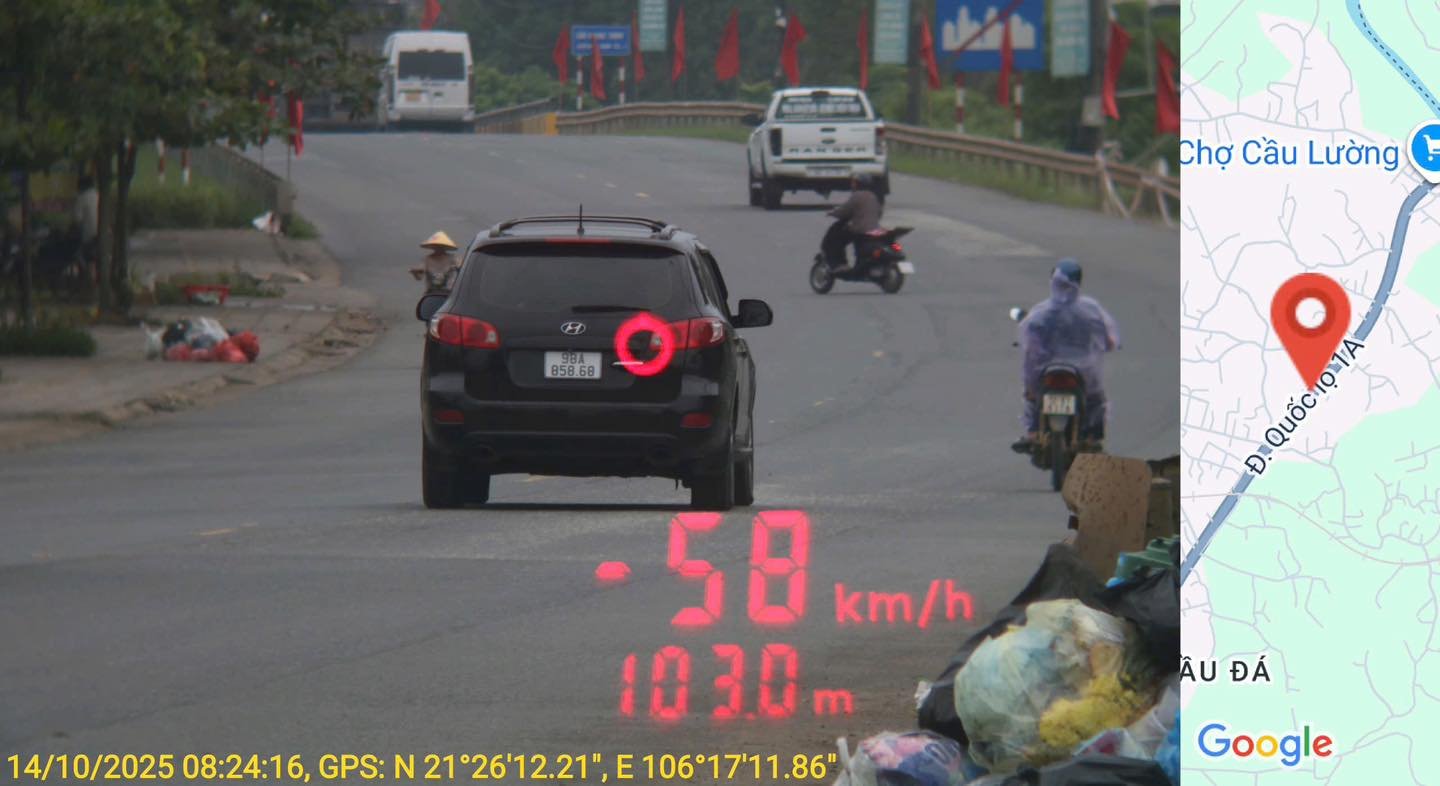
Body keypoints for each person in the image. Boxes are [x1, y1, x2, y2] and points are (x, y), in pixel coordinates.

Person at [1011, 259, 1120, 452]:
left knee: (1031, 395)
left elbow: (1029, 340)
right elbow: (1110, 337)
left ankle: (1033, 433)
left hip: (1045, 369)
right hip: (1084, 371)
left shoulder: (1042, 312)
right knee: (1095, 399)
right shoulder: (1091, 309)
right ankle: (1092, 437)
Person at [822, 174, 883, 271]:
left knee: (834, 239)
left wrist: (832, 213)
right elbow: (879, 213)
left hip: (860, 231)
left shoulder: (857, 196)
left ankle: (838, 264)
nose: (852, 184)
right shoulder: (873, 197)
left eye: (854, 182)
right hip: (875, 230)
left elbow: (844, 211)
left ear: (858, 184)